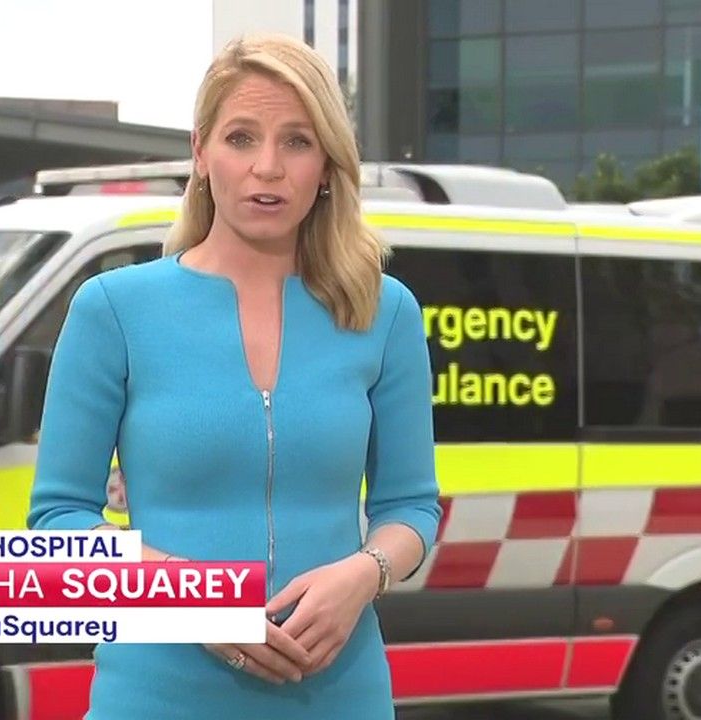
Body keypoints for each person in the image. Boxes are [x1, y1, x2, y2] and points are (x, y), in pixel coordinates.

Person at [28, 33, 442, 720]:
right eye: (241, 138)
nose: (267, 167)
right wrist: (191, 598)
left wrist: (363, 575)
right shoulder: (113, 310)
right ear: (201, 153)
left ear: (327, 166)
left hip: (340, 696)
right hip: (156, 698)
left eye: (297, 142)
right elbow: (57, 521)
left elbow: (412, 507)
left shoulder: (386, 311)